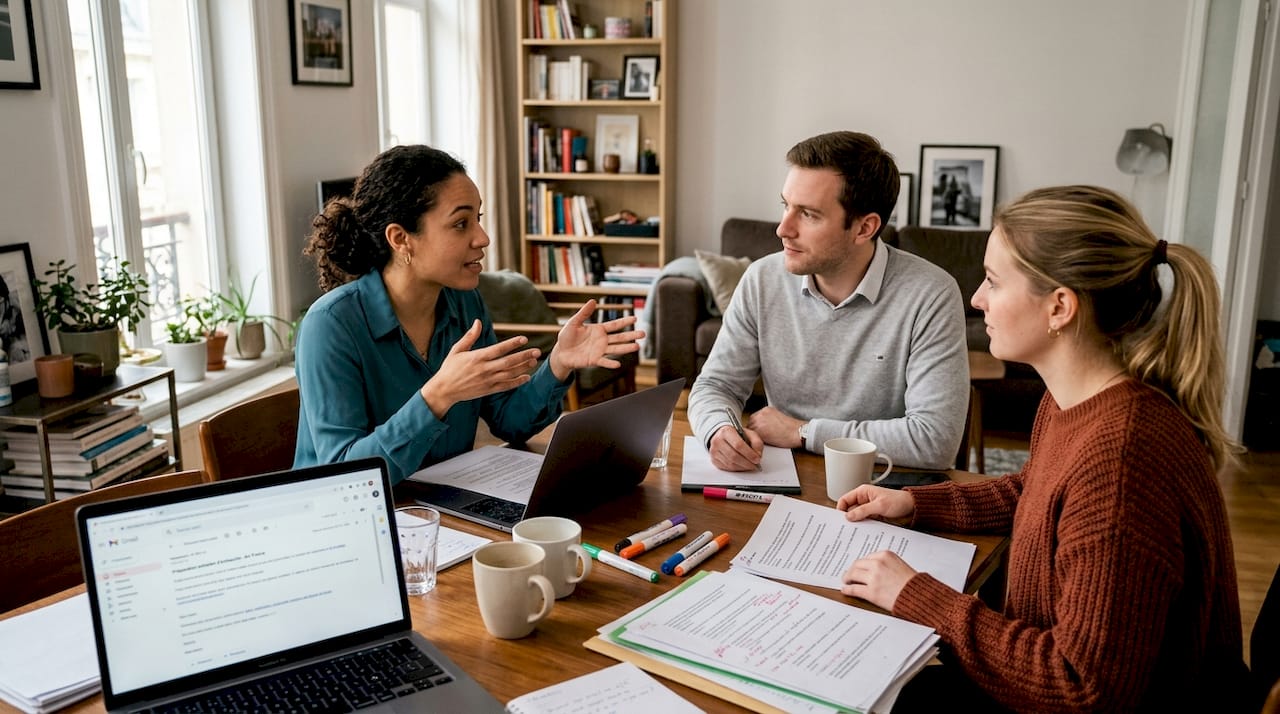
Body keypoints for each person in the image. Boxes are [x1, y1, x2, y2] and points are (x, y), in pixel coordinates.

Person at [837, 185, 1248, 711]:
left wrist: (918, 595)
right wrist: (918, 503)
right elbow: (1040, 490)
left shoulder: (1122, 460)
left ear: (1060, 307)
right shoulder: (1074, 401)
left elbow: (1082, 686)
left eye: (992, 280)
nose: (976, 298)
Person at [294, 144, 641, 484]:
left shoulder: (465, 303)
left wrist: (558, 364)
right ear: (401, 239)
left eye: (478, 219)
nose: (483, 237)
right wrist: (438, 396)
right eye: (461, 224)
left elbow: (507, 419)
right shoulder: (331, 325)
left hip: (440, 512)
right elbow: (344, 476)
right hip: (351, 527)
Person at [687, 131, 970, 472]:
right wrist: (717, 428)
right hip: (779, 474)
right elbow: (715, 385)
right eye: (785, 205)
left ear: (865, 228)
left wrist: (804, 432)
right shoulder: (761, 280)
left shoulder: (931, 295)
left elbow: (934, 440)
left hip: (881, 485)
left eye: (808, 214)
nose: (782, 229)